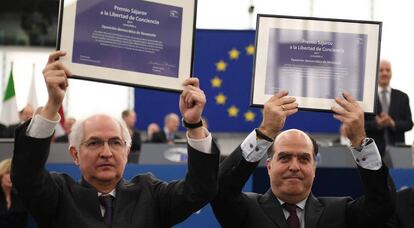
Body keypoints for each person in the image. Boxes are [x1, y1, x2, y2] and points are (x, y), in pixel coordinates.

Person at [11, 51, 220, 227]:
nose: (106, 152)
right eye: (94, 143)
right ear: (75, 154)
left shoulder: (150, 195)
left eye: (115, 142)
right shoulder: (58, 195)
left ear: (127, 152)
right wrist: (52, 104)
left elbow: (200, 189)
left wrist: (193, 124)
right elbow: (25, 176)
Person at [211, 91, 395, 228]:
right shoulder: (247, 209)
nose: (294, 167)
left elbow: (381, 205)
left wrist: (360, 141)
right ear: (269, 166)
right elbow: (220, 189)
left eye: (304, 159)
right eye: (284, 157)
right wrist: (265, 131)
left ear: (314, 168)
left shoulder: (340, 212)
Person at [365, 60, 413, 158]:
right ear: (375, 73)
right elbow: (361, 124)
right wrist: (377, 124)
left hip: (398, 152)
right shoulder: (368, 97)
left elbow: (409, 124)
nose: (385, 73)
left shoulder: (402, 97)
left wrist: (392, 123)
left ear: (391, 73)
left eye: (388, 70)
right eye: (381, 70)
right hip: (373, 151)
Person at [0, 158, 28, 228]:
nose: (11, 177)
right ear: (1, 175)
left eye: (13, 173)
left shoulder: (19, 197)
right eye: (7, 173)